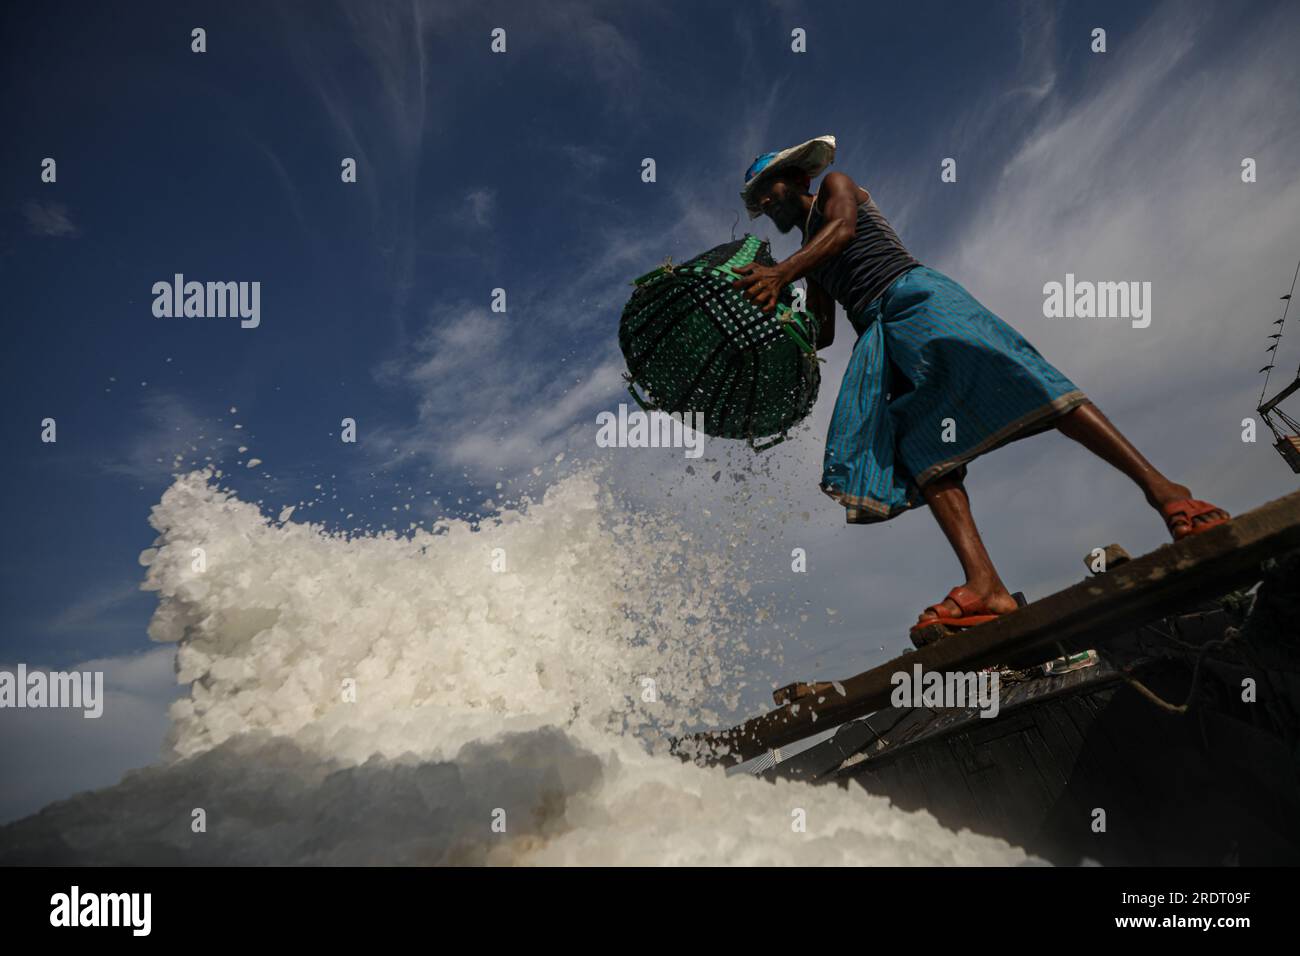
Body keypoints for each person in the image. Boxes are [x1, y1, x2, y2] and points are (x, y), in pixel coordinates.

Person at [732, 135, 1230, 636]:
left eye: (766, 189)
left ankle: (1168, 494)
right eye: (756, 200)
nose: (763, 202)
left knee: (1029, 381)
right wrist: (768, 335)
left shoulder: (837, 190)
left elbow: (842, 230)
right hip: (879, 341)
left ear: (798, 177)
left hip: (916, 300)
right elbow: (822, 331)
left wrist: (779, 274)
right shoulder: (803, 258)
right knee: (925, 456)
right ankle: (986, 584)